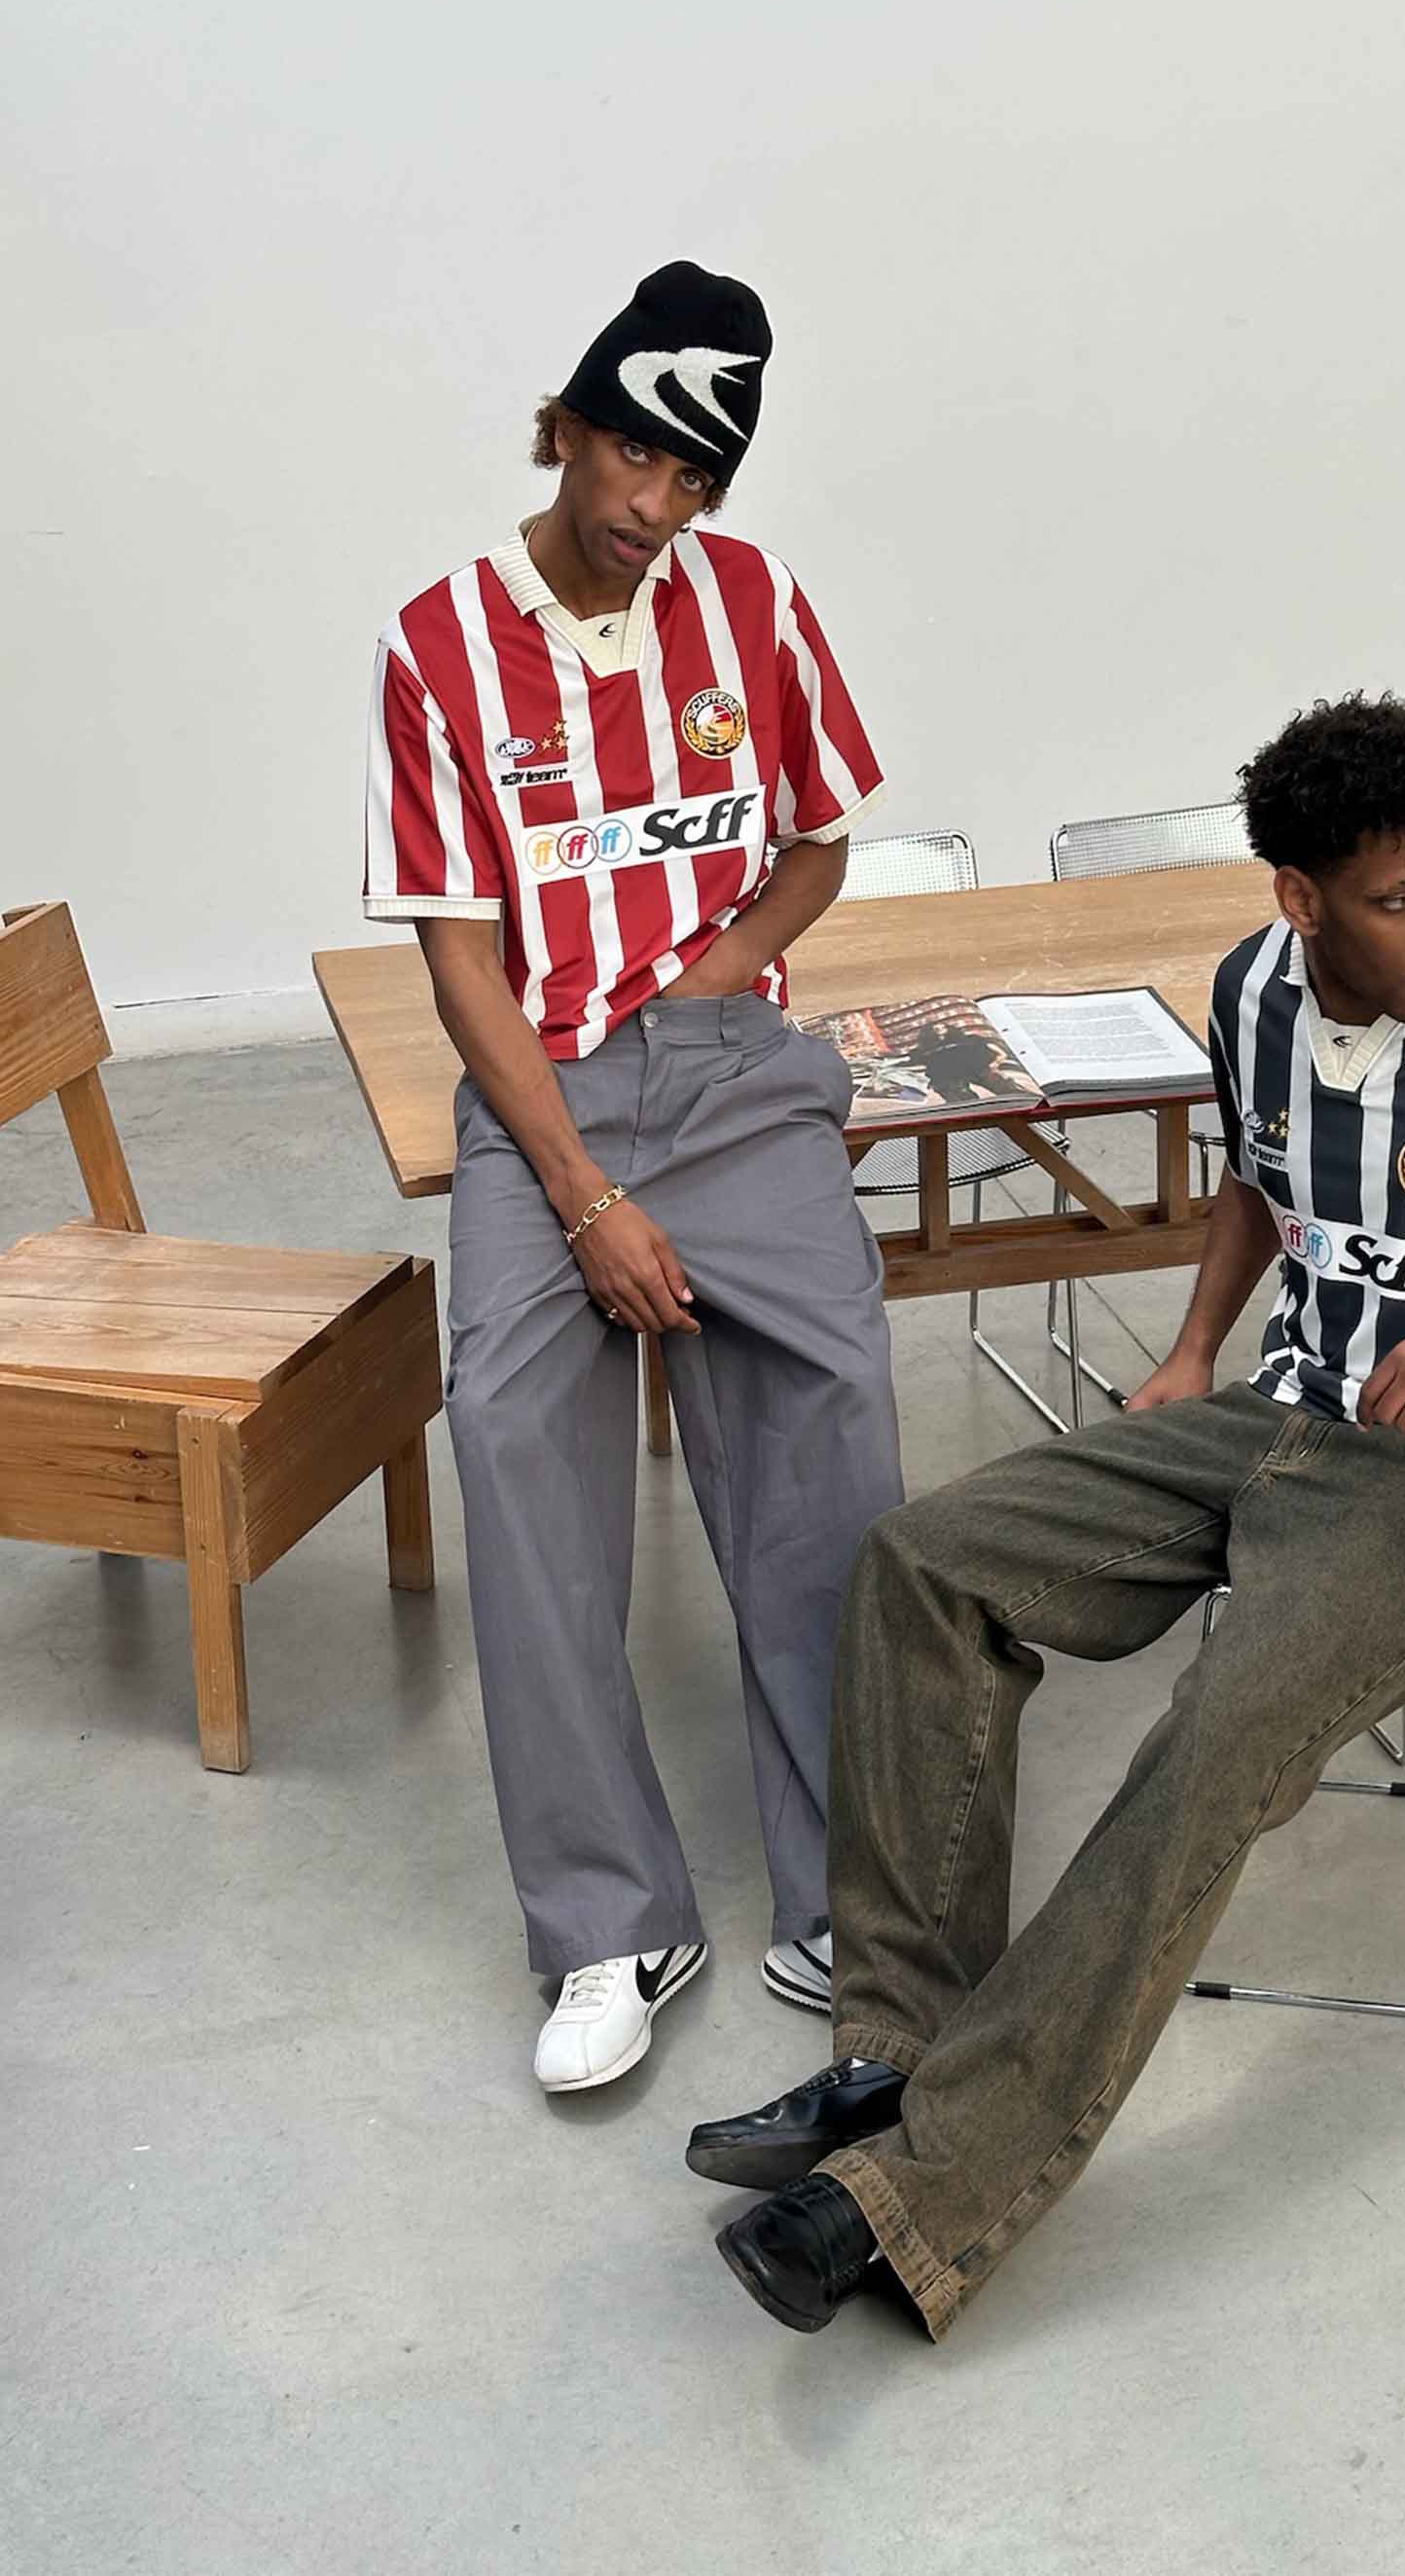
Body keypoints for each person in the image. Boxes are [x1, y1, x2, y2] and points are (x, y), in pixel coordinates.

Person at [685, 691, 1405, 2336]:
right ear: (1298, 896)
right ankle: (890, 2057)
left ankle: (917, 2195)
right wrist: (1196, 1345)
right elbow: (1260, 1178)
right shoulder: (1254, 988)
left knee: (1216, 1737)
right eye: (1398, 898)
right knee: (924, 1563)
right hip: (1272, 1416)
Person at [364, 262, 903, 2090]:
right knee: (510, 1428)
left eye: (694, 480)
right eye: (634, 460)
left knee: (836, 1413)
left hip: (731, 1067)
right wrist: (587, 1194)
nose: (656, 507)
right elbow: (458, 963)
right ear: (568, 428)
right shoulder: (439, 644)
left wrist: (709, 976)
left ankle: (845, 1892)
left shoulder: (753, 604)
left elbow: (819, 839)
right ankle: (612, 1918)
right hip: (543, 1089)